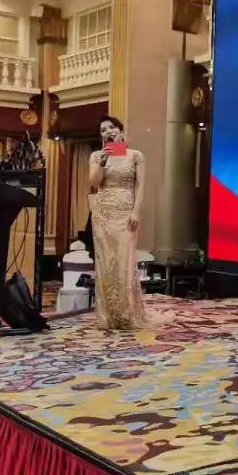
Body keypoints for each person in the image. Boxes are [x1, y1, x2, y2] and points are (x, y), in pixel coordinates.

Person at [88, 116, 164, 330]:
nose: (108, 132)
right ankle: (109, 315)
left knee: (124, 261)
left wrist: (136, 212)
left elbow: (140, 186)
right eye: (103, 130)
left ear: (121, 131)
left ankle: (127, 313)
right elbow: (94, 183)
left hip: (126, 212)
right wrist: (102, 161)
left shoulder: (135, 155)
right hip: (103, 213)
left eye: (112, 127)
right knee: (106, 262)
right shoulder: (97, 156)